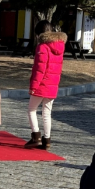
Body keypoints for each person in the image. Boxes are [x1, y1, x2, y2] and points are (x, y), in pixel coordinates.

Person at [24, 20, 66, 150]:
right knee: (46, 113)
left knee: (31, 109)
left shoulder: (42, 47)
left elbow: (39, 69)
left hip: (42, 84)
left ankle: (35, 136)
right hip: (53, 84)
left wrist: (33, 87)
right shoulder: (59, 46)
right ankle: (47, 140)